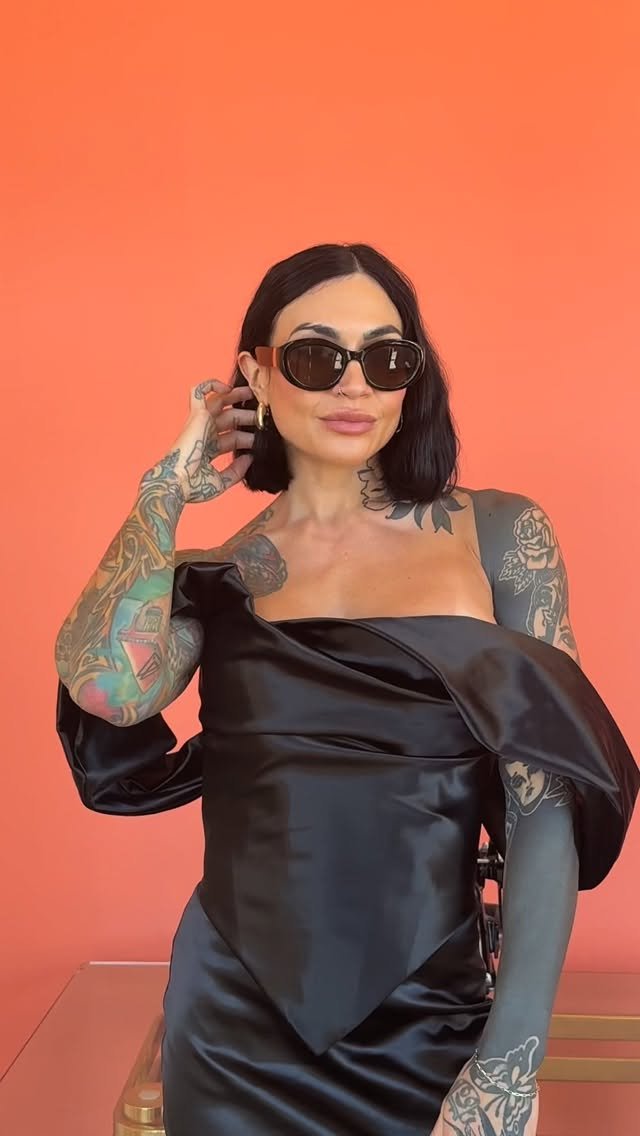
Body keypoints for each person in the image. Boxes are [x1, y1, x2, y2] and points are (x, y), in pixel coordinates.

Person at [54, 243, 639, 1136]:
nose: (354, 384)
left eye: (386, 357)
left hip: (429, 1017)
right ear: (256, 373)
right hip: (233, 1031)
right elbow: (105, 691)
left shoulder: (499, 535)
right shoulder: (223, 574)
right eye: (317, 355)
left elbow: (545, 800)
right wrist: (163, 491)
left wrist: (509, 1062)